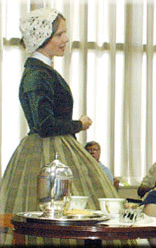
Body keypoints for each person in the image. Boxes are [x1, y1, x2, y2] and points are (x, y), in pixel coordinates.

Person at [0, 8, 118, 215]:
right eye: (59, 34)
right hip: (46, 150)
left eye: (64, 33)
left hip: (59, 145)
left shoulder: (43, 70)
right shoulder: (37, 74)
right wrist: (79, 124)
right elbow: (45, 125)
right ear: (42, 37)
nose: (66, 39)